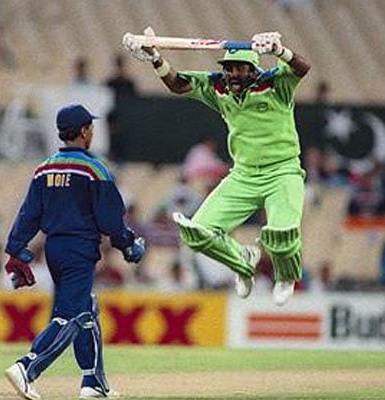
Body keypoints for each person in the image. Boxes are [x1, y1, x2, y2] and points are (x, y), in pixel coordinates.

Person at [124, 28, 310, 305]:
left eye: (238, 68)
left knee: (282, 235)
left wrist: (279, 51)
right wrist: (154, 57)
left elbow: (302, 68)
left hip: (283, 172)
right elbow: (178, 84)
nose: (232, 74)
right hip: (243, 176)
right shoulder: (218, 87)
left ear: (253, 69)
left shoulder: (275, 83)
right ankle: (243, 261)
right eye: (228, 68)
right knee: (196, 233)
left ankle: (286, 277)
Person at [3, 104, 145, 400]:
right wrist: (128, 245)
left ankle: (93, 381)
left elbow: (29, 213)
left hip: (54, 249)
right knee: (71, 314)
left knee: (86, 308)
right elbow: (110, 219)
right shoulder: (93, 168)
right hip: (80, 249)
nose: (92, 131)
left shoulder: (45, 168)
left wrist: (16, 248)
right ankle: (27, 367)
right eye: (90, 127)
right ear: (83, 131)